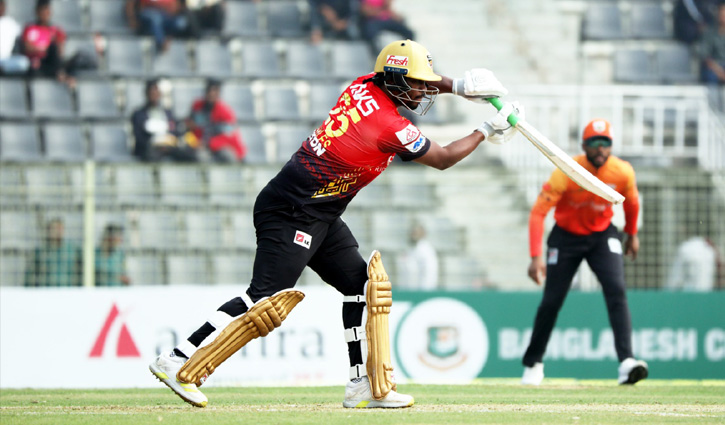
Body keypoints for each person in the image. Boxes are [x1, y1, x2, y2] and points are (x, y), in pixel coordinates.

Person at [149, 39, 519, 409]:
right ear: (394, 80)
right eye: (418, 83)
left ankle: (361, 384)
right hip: (291, 211)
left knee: (362, 288)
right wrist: (486, 130)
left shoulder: (364, 83)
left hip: (319, 212)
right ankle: (176, 359)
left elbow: (411, 81)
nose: (424, 90)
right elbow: (442, 158)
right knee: (264, 299)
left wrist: (460, 87)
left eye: (427, 82)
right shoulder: (389, 125)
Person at [521, 119, 648, 386]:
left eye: (605, 143)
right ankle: (533, 364)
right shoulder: (567, 170)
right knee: (552, 300)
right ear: (583, 145)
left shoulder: (622, 172)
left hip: (602, 235)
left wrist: (632, 234)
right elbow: (538, 213)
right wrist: (535, 256)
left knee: (617, 290)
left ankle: (627, 363)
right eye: (594, 142)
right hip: (566, 237)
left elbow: (632, 204)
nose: (600, 148)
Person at [131, 79, 195, 162]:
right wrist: (156, 142)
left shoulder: (167, 113)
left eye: (156, 91)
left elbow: (174, 129)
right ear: (146, 93)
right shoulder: (139, 115)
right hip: (150, 149)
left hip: (168, 147)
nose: (154, 94)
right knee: (152, 156)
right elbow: (139, 138)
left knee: (190, 155)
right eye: (151, 92)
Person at [185, 78, 246, 163]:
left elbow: (229, 136)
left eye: (215, 91)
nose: (211, 94)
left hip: (222, 147)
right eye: (209, 91)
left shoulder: (225, 112)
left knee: (224, 155)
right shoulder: (197, 106)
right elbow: (190, 126)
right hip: (201, 146)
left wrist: (208, 143)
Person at [20, 0, 74, 87]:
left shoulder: (56, 30)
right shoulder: (30, 28)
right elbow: (27, 47)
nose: (44, 13)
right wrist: (45, 48)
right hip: (36, 63)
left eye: (47, 10)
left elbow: (60, 51)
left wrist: (43, 48)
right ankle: (61, 74)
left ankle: (60, 73)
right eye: (42, 10)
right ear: (37, 11)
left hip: (51, 62)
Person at [24, 218, 82, 287]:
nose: (58, 231)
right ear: (49, 231)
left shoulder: (72, 250)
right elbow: (30, 276)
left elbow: (81, 272)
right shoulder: (41, 252)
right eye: (54, 228)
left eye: (60, 228)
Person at [125, 0, 196, 52]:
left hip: (166, 17)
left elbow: (176, 6)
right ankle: (161, 43)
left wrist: (172, 11)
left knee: (181, 22)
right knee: (156, 18)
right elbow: (130, 3)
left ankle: (169, 37)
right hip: (148, 13)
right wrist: (132, 19)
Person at [400, 222, 439, 290]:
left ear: (422, 233)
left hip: (422, 289)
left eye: (416, 232)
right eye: (413, 232)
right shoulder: (410, 249)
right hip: (409, 289)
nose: (413, 234)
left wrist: (425, 290)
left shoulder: (426, 249)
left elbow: (429, 271)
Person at [697, 3, 725, 85]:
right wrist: (719, 72)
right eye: (721, 13)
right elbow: (705, 56)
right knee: (711, 77)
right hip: (714, 67)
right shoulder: (708, 33)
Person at [0, 0, 30, 74]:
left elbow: (22, 38)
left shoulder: (11, 23)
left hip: (7, 60)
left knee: (23, 62)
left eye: (2, 6)